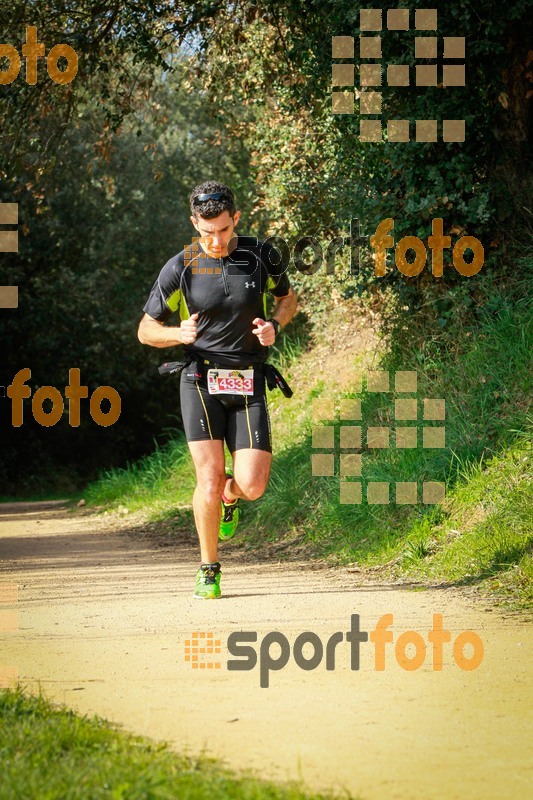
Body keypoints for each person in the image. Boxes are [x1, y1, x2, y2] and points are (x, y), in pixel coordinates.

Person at [137, 181, 298, 599]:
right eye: (207, 232)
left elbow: (288, 299)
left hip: (248, 379)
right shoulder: (182, 265)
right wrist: (177, 332)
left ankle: (231, 496)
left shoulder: (263, 255)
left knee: (253, 485)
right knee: (207, 478)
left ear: (236, 220)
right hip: (200, 379)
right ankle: (209, 567)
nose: (216, 240)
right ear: (194, 223)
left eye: (224, 230)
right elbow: (145, 329)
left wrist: (274, 325)